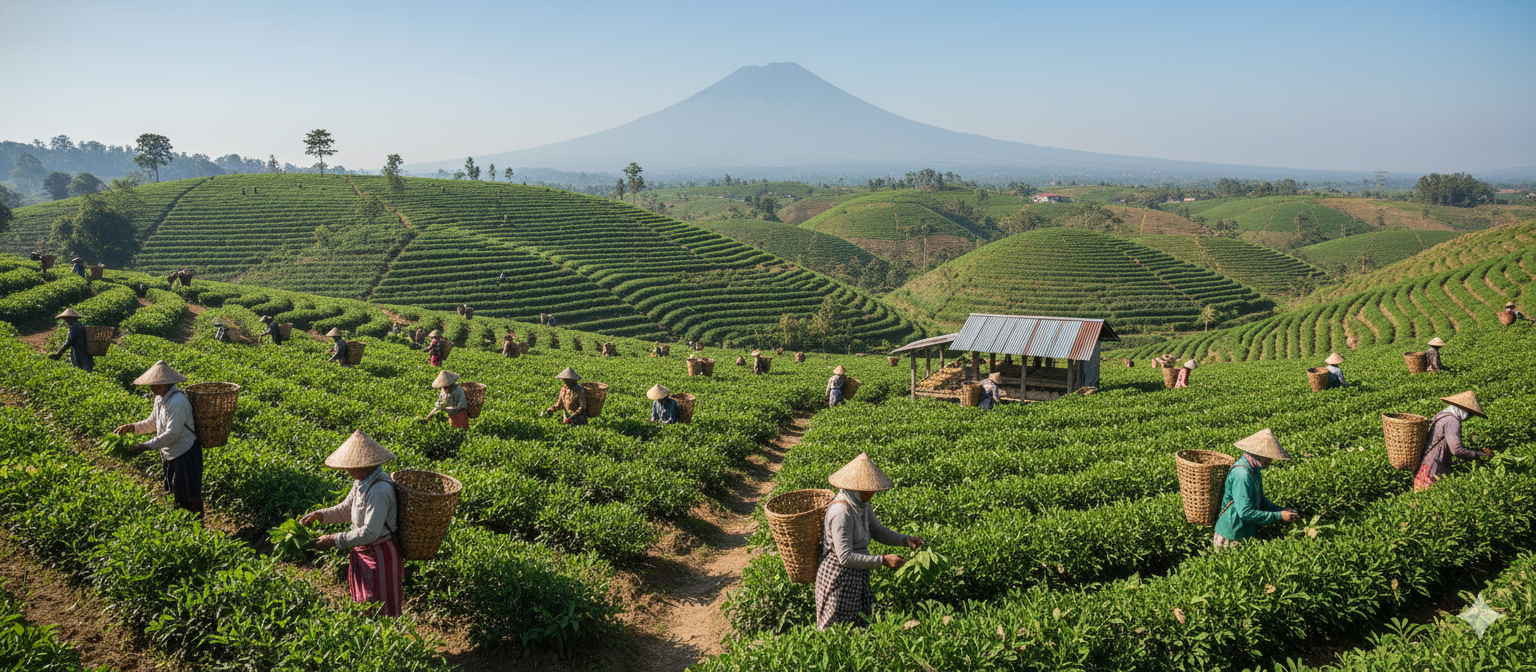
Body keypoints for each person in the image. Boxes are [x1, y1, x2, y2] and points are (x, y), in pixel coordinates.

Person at [816, 453, 924, 630]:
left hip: (856, 574)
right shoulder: (841, 513)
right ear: (856, 489)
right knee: (837, 630)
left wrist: (905, 540)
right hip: (838, 578)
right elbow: (845, 557)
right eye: (869, 489)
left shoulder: (861, 506)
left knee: (857, 626)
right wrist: (882, 560)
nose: (873, 493)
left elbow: (878, 531)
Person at [300, 431, 403, 617]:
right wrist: (319, 515)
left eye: (351, 466)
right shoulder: (362, 482)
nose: (347, 470)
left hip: (379, 555)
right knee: (365, 607)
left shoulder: (380, 490)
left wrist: (333, 539)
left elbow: (370, 532)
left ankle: (383, 645)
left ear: (365, 464)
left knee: (381, 611)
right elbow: (346, 509)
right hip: (364, 552)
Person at [112, 361, 203, 517]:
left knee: (190, 493)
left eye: (157, 385)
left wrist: (144, 447)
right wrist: (132, 427)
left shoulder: (178, 402)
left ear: (169, 383)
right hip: (170, 452)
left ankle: (199, 526)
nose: (153, 388)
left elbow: (172, 434)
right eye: (151, 385)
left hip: (185, 452)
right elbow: (153, 422)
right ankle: (184, 524)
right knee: (176, 492)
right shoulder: (160, 398)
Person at [1213, 429, 1300, 549]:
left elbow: (1261, 500)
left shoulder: (1254, 469)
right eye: (1268, 457)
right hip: (1231, 535)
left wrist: (1282, 511)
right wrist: (1279, 516)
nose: (1271, 461)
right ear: (1257, 454)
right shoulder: (1242, 475)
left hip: (1244, 532)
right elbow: (1245, 513)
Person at [1414, 391, 1491, 491]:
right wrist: (1480, 455)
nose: (1469, 417)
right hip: (1434, 470)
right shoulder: (1452, 421)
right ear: (1463, 410)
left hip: (1424, 467)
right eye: (1469, 413)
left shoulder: (1441, 416)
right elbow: (1457, 449)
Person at [48, 308, 94, 372]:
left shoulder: (73, 327)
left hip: (79, 353)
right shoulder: (80, 325)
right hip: (85, 352)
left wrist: (58, 354)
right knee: (87, 370)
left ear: (71, 318)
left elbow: (68, 342)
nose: (66, 321)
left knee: (80, 370)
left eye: (66, 320)